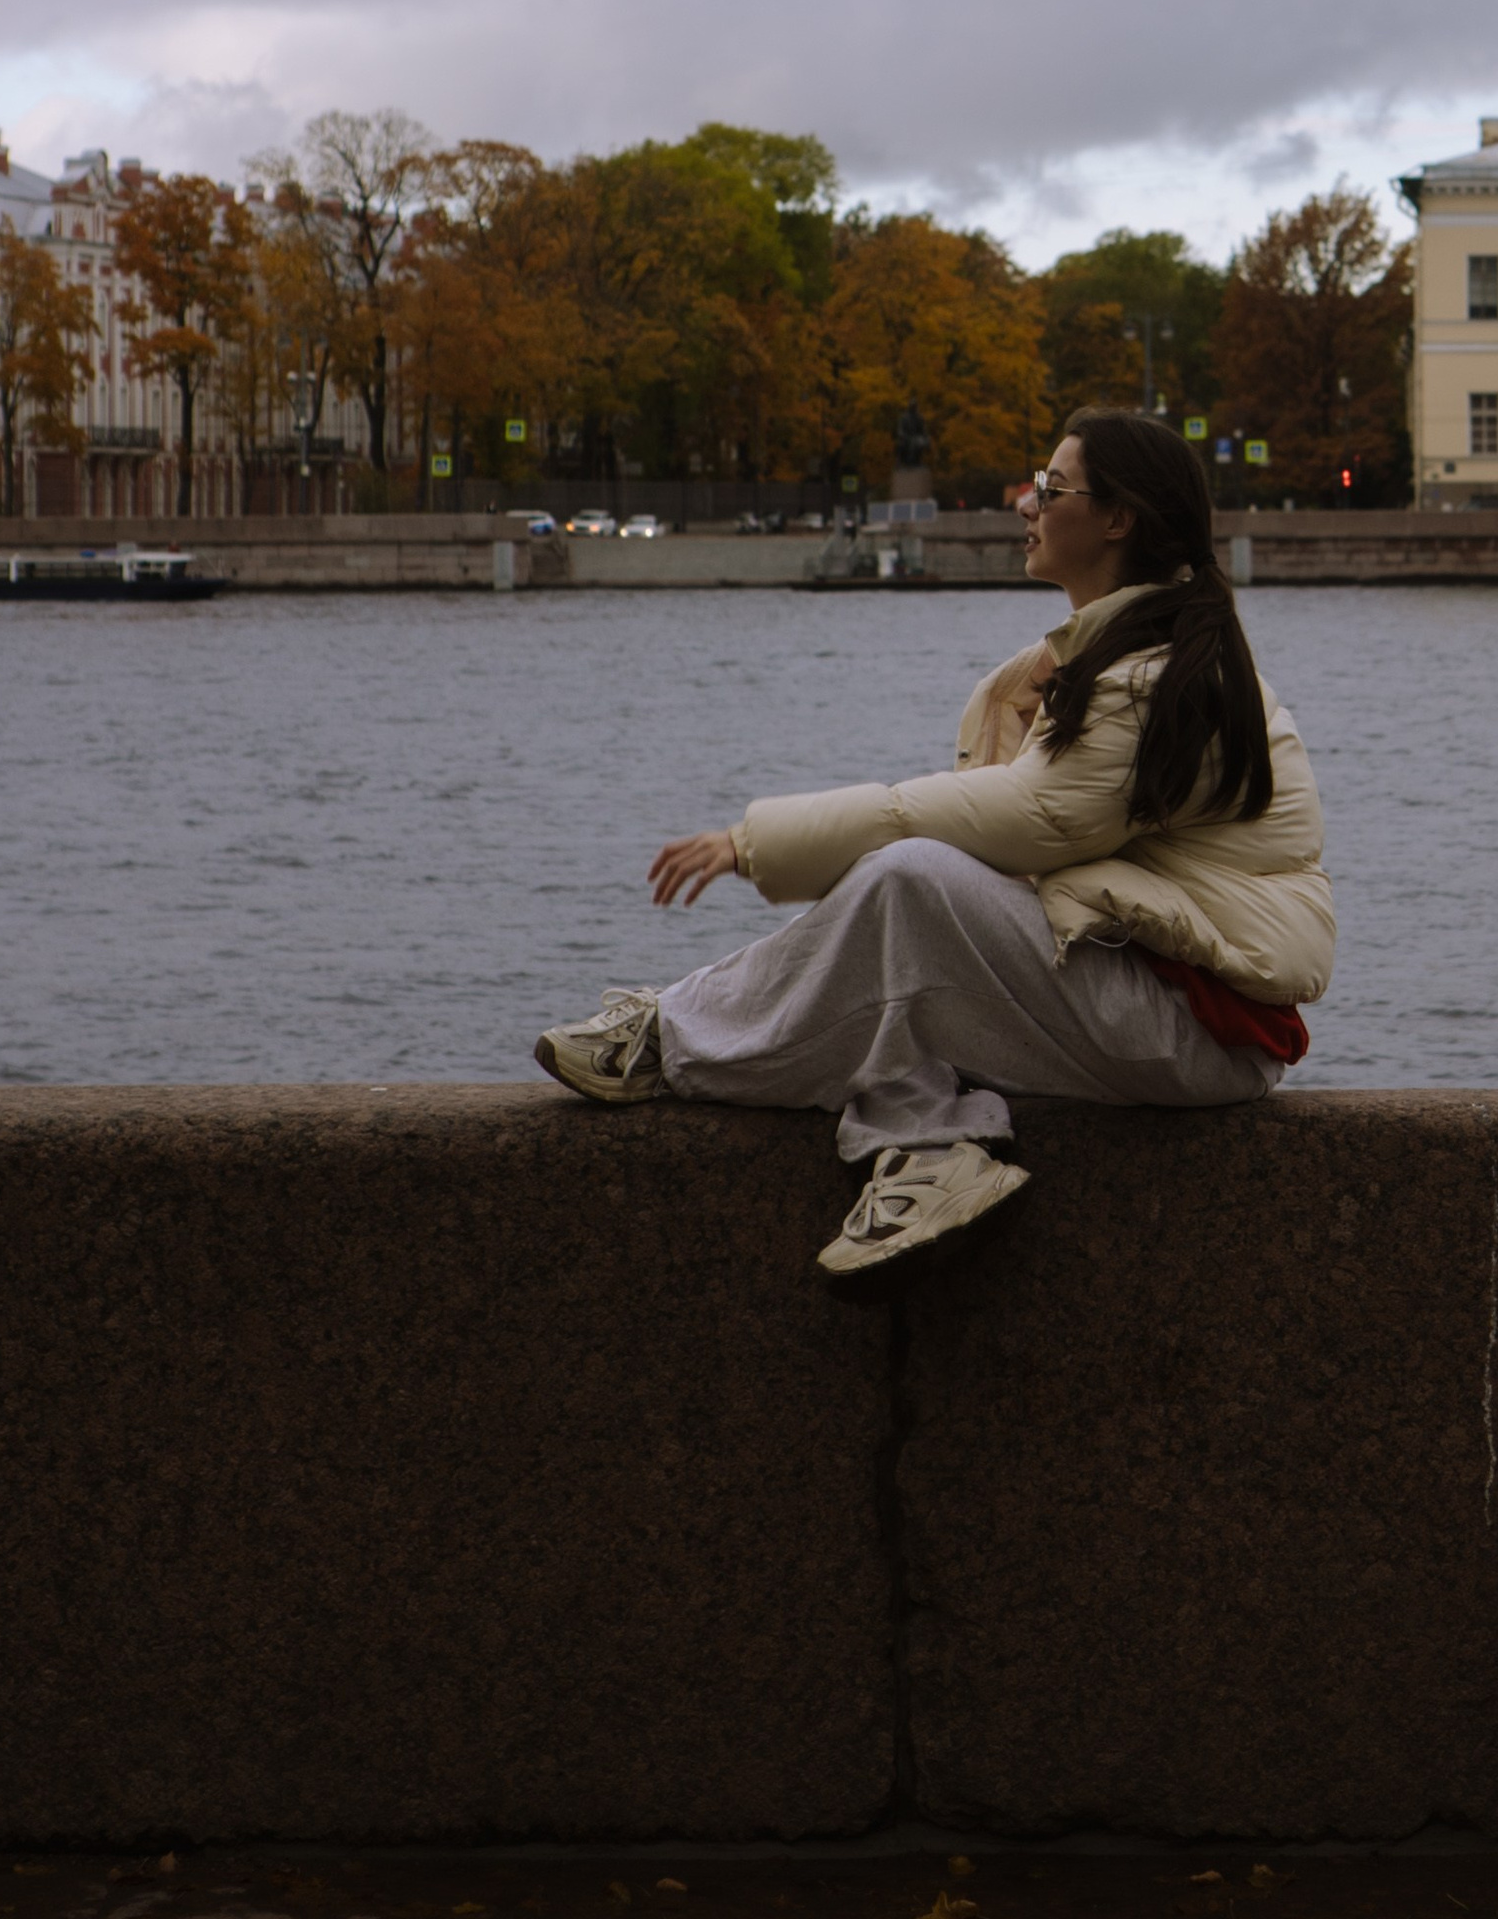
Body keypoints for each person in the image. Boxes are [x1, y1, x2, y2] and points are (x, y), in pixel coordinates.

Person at [533, 408, 1331, 1284]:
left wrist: (752, 842)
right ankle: (930, 1151)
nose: (1026, 503)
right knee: (900, 949)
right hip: (1158, 1000)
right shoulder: (1128, 660)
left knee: (907, 885)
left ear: (1117, 519)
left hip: (1199, 1030)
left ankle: (669, 1039)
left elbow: (1021, 821)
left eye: (1051, 489)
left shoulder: (1150, 682)